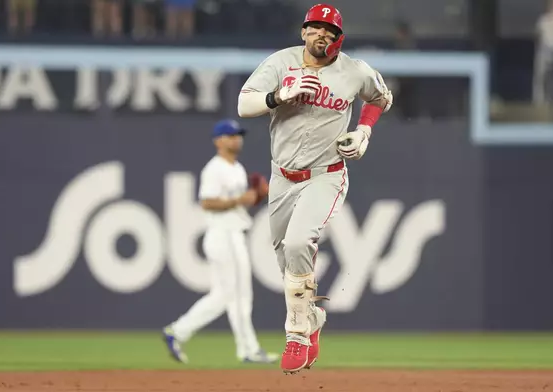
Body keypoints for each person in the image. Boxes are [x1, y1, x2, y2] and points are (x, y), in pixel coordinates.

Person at [237, 3, 393, 374]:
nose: (321, 34)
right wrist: (278, 96)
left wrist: (364, 131)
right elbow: (244, 105)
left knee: (297, 243)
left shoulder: (354, 71)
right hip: (282, 177)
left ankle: (297, 334)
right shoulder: (280, 63)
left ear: (339, 39)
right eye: (315, 27)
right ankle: (313, 316)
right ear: (303, 32)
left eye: (330, 30)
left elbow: (380, 98)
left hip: (327, 173)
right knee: (286, 261)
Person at [162, 119, 278, 365]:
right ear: (218, 140)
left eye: (238, 135)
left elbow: (241, 200)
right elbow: (206, 202)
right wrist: (240, 200)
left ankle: (177, 332)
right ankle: (248, 349)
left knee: (224, 296)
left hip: (231, 233)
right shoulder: (214, 169)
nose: (237, 138)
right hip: (223, 234)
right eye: (231, 135)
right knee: (238, 296)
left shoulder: (236, 168)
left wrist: (257, 195)